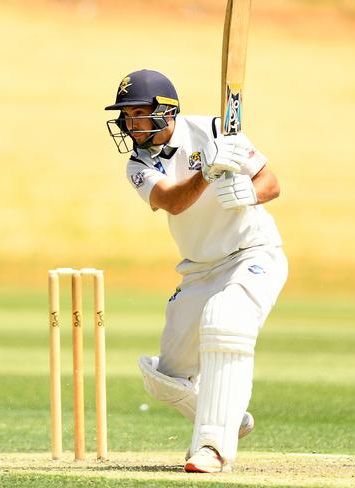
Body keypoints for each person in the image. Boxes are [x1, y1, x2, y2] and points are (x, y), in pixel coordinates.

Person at [105, 69, 288, 473]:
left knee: (227, 322)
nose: (131, 125)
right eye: (127, 116)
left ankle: (212, 448)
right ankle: (228, 417)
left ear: (167, 112)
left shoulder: (216, 129)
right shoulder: (138, 164)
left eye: (139, 114)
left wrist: (248, 193)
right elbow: (172, 202)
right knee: (163, 378)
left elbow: (271, 183)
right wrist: (205, 173)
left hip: (252, 254)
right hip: (199, 271)